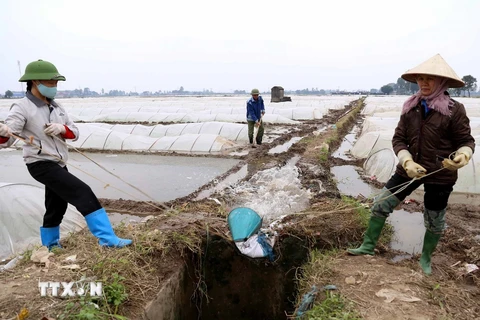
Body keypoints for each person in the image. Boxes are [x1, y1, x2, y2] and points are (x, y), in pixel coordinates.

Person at [347, 54, 475, 275]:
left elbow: (466, 141)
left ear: (442, 83)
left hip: (440, 173)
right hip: (409, 170)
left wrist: (463, 154)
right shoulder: (411, 107)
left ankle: (425, 259)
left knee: (434, 219)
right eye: (420, 79)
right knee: (381, 203)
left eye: (429, 79)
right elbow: (399, 139)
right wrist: (406, 161)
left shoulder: (455, 110)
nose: (423, 83)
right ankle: (368, 246)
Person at [0, 59, 132, 250]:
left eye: (56, 83)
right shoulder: (22, 107)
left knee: (57, 205)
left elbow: (74, 132)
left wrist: (61, 128)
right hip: (40, 163)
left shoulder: (57, 106)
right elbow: (9, 138)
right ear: (35, 82)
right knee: (82, 192)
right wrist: (3, 133)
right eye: (50, 83)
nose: (54, 87)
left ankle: (51, 245)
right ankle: (108, 239)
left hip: (58, 162)